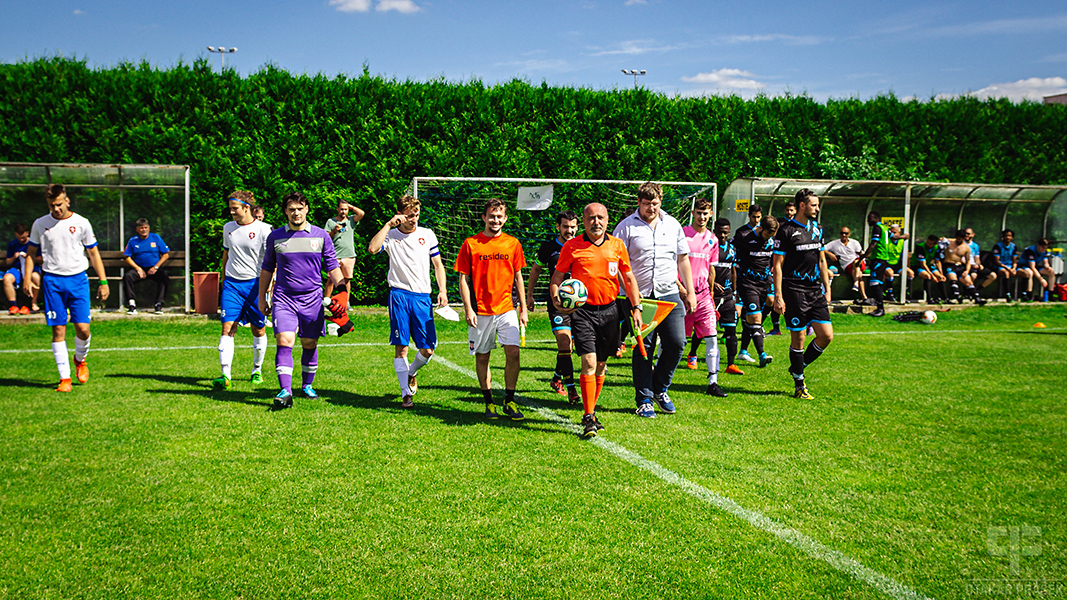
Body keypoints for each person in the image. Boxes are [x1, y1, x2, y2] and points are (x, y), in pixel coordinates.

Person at [550, 203, 642, 437]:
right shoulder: (572, 246)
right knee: (589, 362)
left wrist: (636, 307)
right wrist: (556, 296)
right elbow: (558, 276)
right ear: (584, 220)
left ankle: (591, 410)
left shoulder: (617, 246)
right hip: (583, 313)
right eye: (591, 218)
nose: (596, 222)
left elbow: (628, 278)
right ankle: (588, 416)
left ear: (607, 220)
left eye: (600, 217)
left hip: (610, 312)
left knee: (601, 365)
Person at [612, 182, 696, 418]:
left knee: (677, 343)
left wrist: (689, 292)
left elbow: (683, 260)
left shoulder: (673, 224)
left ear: (661, 202)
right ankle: (644, 399)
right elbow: (616, 262)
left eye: (655, 203)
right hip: (640, 298)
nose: (651, 208)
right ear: (639, 202)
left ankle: (660, 388)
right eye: (647, 204)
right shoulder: (626, 227)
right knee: (643, 348)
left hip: (669, 293)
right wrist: (629, 292)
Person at [259, 192, 345, 410]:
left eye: (300, 208)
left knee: (309, 343)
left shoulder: (321, 236)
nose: (296, 213)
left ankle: (307, 386)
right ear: (285, 212)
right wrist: (262, 297)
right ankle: (285, 391)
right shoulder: (275, 236)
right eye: (291, 209)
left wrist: (342, 291)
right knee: (285, 340)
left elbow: (332, 266)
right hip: (284, 299)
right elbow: (267, 268)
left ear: (307, 209)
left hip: (312, 299)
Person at [23, 183, 110, 392]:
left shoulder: (82, 223)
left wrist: (103, 281)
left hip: (78, 280)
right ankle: (65, 379)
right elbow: (30, 253)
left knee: (83, 329)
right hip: (52, 280)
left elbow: (94, 253)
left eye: (59, 204)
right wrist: (27, 277)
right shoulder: (40, 224)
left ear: (67, 200)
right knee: (58, 328)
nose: (56, 209)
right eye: (52, 205)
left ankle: (80, 360)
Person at [368, 194, 448, 408]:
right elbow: (372, 249)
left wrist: (442, 290)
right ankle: (406, 394)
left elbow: (438, 265)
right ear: (400, 215)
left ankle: (411, 372)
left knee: (429, 349)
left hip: (422, 297)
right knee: (401, 347)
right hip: (399, 296)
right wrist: (387, 225)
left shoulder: (427, 234)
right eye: (410, 216)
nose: (414, 219)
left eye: (417, 215)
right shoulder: (391, 235)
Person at [454, 198, 528, 420]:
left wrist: (523, 308)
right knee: (483, 356)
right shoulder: (471, 243)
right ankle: (489, 403)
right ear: (484, 217)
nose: (495, 220)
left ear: (505, 219)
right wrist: (468, 309)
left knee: (513, 353)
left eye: (499, 216)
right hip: (481, 311)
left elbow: (518, 277)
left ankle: (510, 400)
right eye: (491, 216)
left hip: (507, 309)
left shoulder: (513, 243)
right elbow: (463, 279)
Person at [772, 189, 833, 400]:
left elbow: (822, 260)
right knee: (798, 337)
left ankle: (799, 365)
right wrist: (778, 296)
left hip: (815, 290)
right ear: (802, 205)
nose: (817, 208)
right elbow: (777, 266)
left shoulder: (817, 229)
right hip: (794, 290)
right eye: (814, 205)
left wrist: (827, 288)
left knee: (826, 335)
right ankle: (799, 385)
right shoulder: (786, 231)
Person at [212, 191, 274, 390]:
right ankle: (225, 375)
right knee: (227, 327)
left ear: (246, 208)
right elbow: (226, 253)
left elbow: (272, 260)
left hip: (256, 285)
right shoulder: (228, 228)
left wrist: (271, 284)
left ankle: (257, 370)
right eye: (230, 208)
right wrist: (223, 278)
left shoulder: (265, 229)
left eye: (234, 208)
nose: (231, 212)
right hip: (232, 284)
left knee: (259, 329)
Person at [526, 210, 581, 404]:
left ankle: (557, 378)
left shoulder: (582, 246)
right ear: (558, 227)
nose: (569, 230)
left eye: (573, 227)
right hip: (557, 303)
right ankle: (572, 388)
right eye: (565, 226)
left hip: (580, 304)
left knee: (571, 347)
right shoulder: (548, 248)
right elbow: (536, 269)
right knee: (564, 344)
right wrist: (529, 294)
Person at [681, 198, 727, 397]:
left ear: (710, 215)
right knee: (672, 339)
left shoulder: (713, 239)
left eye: (705, 213)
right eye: (699, 212)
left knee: (712, 338)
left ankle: (713, 382)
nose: (702, 217)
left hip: (704, 296)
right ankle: (657, 373)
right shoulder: (682, 234)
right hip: (681, 295)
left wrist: (710, 291)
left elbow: (710, 268)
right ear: (693, 213)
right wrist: (681, 290)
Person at [733, 215, 778, 367]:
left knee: (762, 310)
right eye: (767, 234)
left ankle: (753, 334)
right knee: (755, 317)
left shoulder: (771, 241)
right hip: (748, 283)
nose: (768, 238)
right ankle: (762, 354)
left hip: (765, 282)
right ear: (760, 228)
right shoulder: (746, 239)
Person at [710, 218, 744, 376]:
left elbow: (733, 271)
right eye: (720, 232)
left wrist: (735, 293)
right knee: (707, 330)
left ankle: (731, 364)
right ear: (715, 231)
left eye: (725, 232)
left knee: (731, 330)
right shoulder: (709, 246)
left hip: (728, 295)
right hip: (711, 296)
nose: (722, 235)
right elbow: (704, 269)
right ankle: (693, 355)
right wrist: (712, 283)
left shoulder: (732, 248)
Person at [121, 217, 170, 314]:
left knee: (164, 277)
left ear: (149, 228)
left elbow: (166, 254)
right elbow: (127, 257)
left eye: (145, 227)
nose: (144, 230)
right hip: (139, 269)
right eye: (141, 228)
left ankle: (158, 304)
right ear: (137, 230)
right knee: (128, 277)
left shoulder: (155, 238)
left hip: (153, 268)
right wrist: (138, 268)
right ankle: (132, 305)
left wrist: (156, 267)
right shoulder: (133, 240)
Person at [323, 199, 365, 298]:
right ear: (337, 209)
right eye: (341, 209)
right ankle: (326, 301)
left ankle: (345, 302)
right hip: (335, 255)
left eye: (345, 209)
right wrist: (334, 231)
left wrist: (351, 206)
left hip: (349, 255)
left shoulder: (351, 220)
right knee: (331, 279)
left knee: (347, 279)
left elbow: (361, 214)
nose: (343, 212)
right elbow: (326, 238)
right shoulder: (331, 221)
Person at [4, 224, 42, 314]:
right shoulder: (13, 244)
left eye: (23, 238)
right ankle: (13, 306)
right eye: (19, 238)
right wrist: (14, 256)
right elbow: (8, 262)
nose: (21, 240)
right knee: (7, 278)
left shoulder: (34, 244)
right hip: (17, 268)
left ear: (27, 233)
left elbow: (41, 260)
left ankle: (33, 302)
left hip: (33, 268)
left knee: (35, 277)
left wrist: (29, 257)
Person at [941, 229, 985, 305]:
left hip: (959, 266)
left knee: (968, 282)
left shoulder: (966, 248)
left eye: (961, 239)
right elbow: (941, 240)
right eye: (958, 238)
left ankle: (977, 299)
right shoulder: (949, 242)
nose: (959, 240)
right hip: (949, 264)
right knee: (953, 278)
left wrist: (967, 271)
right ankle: (958, 297)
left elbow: (968, 262)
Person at [823, 226, 867, 303]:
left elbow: (861, 254)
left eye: (846, 233)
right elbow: (822, 248)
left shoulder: (854, 243)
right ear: (839, 234)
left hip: (858, 263)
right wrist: (830, 254)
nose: (844, 235)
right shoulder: (835, 243)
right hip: (847, 267)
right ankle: (864, 297)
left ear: (849, 234)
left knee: (856, 262)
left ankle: (856, 284)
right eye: (842, 233)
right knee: (859, 275)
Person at [963, 227, 996, 300]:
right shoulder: (962, 244)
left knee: (992, 276)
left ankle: (976, 290)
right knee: (973, 275)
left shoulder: (975, 246)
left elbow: (976, 258)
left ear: (973, 235)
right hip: (966, 265)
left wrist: (979, 265)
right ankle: (967, 294)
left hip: (975, 266)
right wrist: (971, 265)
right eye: (965, 233)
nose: (966, 235)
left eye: (968, 234)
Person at [991, 229, 1025, 301]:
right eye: (1006, 236)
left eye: (1009, 236)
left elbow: (1014, 260)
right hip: (1001, 266)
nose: (1008, 237)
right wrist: (1008, 269)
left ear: (1012, 237)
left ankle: (1024, 294)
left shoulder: (1013, 246)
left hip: (1010, 266)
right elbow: (997, 261)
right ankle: (1008, 295)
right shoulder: (997, 246)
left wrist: (1013, 268)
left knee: (1025, 273)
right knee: (1006, 273)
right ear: (1003, 237)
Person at [913, 234, 947, 303]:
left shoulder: (937, 248)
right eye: (927, 242)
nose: (928, 244)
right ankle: (929, 298)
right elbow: (923, 264)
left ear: (934, 244)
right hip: (917, 265)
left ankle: (945, 298)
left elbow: (938, 262)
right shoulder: (920, 247)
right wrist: (932, 276)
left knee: (940, 277)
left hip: (928, 265)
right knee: (927, 276)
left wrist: (941, 274)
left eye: (930, 244)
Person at [882, 223, 911, 302]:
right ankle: (889, 293)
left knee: (910, 273)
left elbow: (906, 254)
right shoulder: (886, 240)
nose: (893, 234)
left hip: (898, 264)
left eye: (895, 232)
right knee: (890, 273)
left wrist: (908, 266)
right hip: (887, 263)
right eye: (891, 232)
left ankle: (904, 294)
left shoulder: (902, 241)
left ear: (899, 233)